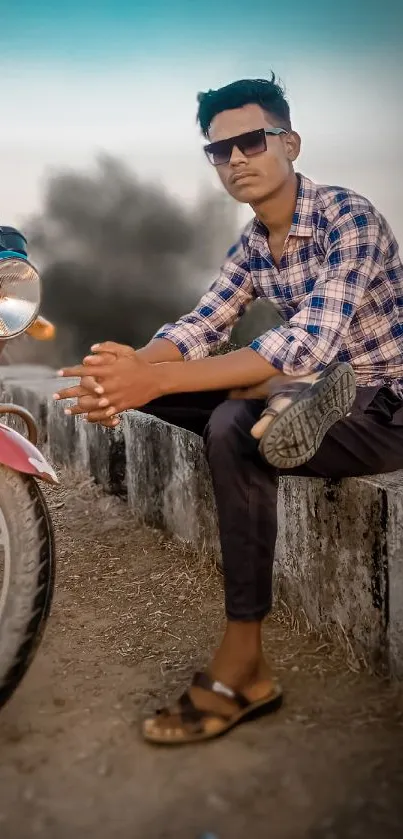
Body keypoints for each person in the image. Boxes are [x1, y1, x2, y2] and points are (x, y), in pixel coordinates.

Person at [54, 75, 403, 746]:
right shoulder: (251, 245)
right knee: (192, 390)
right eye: (219, 151)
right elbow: (198, 325)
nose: (236, 160)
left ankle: (243, 665)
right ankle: (285, 399)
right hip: (319, 394)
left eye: (250, 141)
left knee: (232, 426)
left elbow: (307, 338)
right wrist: (126, 371)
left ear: (289, 142)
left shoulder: (346, 217)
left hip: (385, 407)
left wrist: (151, 382)